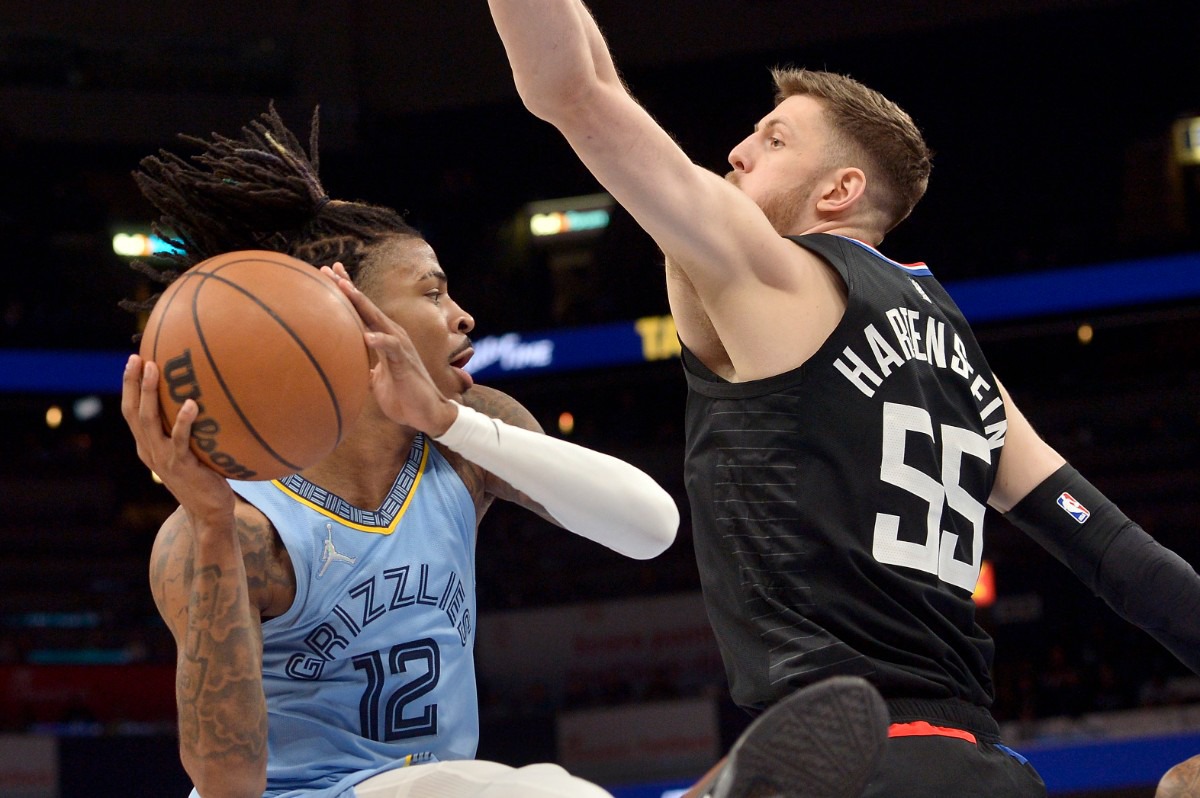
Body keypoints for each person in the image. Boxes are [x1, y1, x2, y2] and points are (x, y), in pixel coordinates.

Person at [485, 2, 1200, 795]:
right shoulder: (963, 358)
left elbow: (573, 90)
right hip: (979, 764)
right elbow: (1116, 554)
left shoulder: (774, 275)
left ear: (840, 189)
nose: (737, 151)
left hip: (843, 759)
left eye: (774, 138)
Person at [120, 105, 686, 798]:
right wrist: (208, 523)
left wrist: (450, 421)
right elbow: (225, 782)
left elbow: (652, 529)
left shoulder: (464, 442)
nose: (463, 314)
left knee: (522, 786)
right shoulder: (234, 529)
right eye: (432, 290)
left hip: (437, 786)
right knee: (534, 790)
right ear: (351, 315)